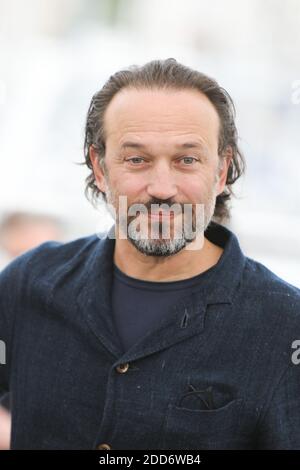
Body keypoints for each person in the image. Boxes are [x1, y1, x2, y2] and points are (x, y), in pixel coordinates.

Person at [0, 58, 299, 450]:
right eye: (137, 159)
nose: (161, 187)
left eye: (186, 160)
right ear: (101, 167)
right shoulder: (27, 285)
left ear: (221, 171)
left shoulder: (285, 325)